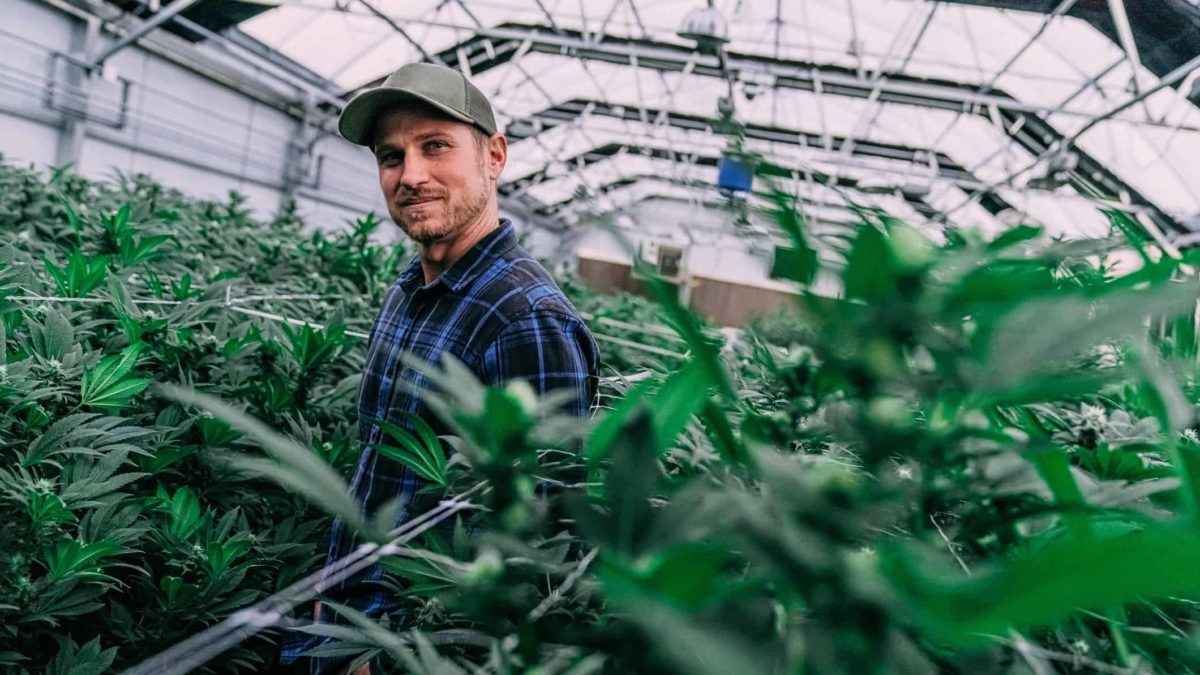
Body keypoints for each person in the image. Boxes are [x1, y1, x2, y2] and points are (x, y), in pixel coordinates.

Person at [277, 62, 599, 675]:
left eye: (436, 147)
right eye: (391, 156)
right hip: (343, 619)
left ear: (495, 157)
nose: (410, 175)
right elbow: (384, 470)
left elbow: (533, 543)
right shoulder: (409, 291)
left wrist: (391, 658)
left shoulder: (526, 319)